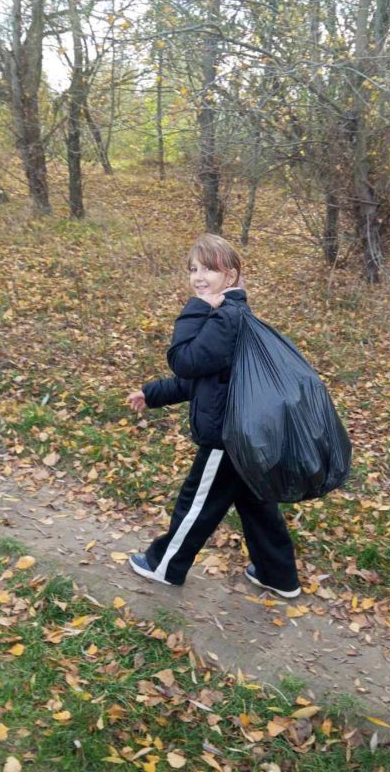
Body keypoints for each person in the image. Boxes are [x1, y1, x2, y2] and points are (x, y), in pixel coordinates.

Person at [125, 233, 301, 599]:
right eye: (193, 269)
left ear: (231, 275)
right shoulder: (233, 314)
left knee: (196, 503)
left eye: (209, 269)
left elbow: (184, 360)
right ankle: (278, 575)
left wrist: (195, 307)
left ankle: (165, 566)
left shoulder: (224, 317)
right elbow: (203, 379)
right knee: (257, 506)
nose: (199, 277)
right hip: (244, 435)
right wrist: (152, 393)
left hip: (226, 436)